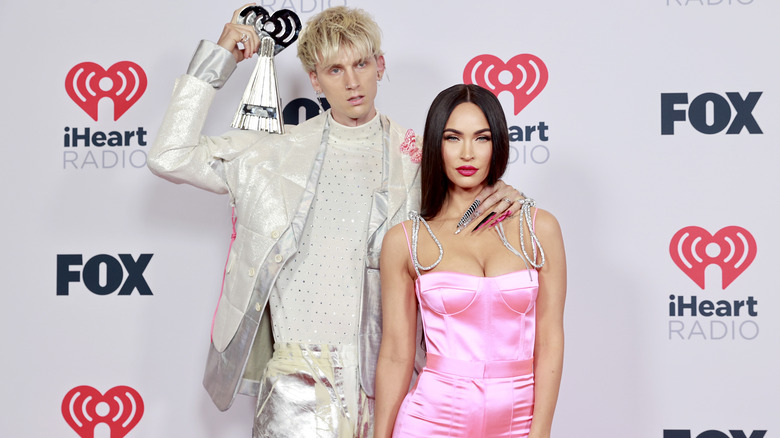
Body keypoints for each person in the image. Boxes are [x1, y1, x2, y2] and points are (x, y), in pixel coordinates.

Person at [148, 5, 523, 437]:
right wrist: (220, 59)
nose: (351, 82)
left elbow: (471, 220)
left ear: (380, 65)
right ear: (314, 79)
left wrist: (503, 193)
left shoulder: (421, 160)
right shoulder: (271, 154)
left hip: (392, 382)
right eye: (334, 69)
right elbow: (169, 156)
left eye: (361, 64)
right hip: (296, 384)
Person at [374, 84, 567, 438]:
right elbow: (396, 356)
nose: (467, 153)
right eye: (452, 138)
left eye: (481, 138)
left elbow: (550, 341)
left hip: (519, 424)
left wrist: (540, 432)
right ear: (436, 145)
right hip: (429, 423)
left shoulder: (540, 230)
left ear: (498, 144)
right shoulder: (405, 241)